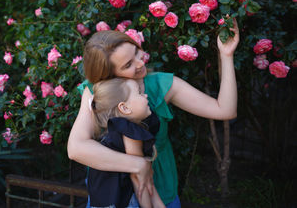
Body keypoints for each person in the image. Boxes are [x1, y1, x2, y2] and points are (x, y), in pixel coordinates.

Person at [67, 19, 239, 207]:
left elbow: (225, 110)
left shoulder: (160, 84)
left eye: (136, 53)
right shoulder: (97, 92)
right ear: (110, 74)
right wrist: (139, 165)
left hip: (160, 191)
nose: (140, 63)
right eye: (128, 65)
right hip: (112, 195)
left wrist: (227, 54)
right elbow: (76, 148)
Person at [88, 78, 165, 208]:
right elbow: (137, 178)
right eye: (139, 93)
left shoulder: (118, 130)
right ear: (124, 107)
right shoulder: (128, 130)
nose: (145, 95)